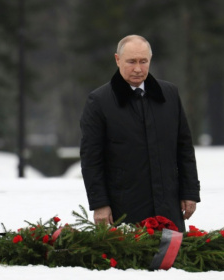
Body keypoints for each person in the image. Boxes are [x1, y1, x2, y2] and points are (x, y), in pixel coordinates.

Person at [80, 34, 200, 232]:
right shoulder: (99, 101)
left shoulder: (169, 94)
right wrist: (100, 204)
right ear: (117, 60)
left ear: (150, 60)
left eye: (143, 61)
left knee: (172, 262)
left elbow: (184, 148)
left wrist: (190, 192)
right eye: (131, 61)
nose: (138, 68)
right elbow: (91, 159)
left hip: (169, 208)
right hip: (124, 210)